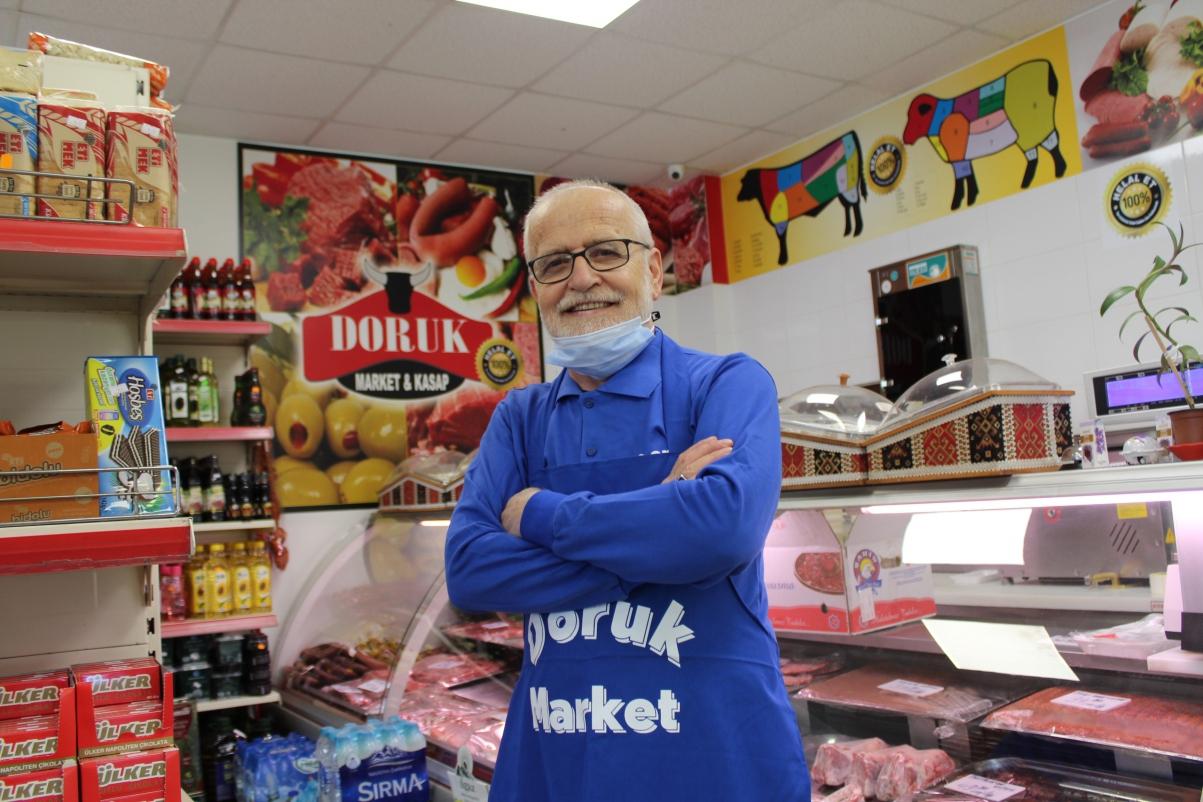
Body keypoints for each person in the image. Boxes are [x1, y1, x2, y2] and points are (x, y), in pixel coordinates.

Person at [444, 179, 808, 801]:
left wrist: (541, 514)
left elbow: (722, 528)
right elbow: (470, 572)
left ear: (654, 272)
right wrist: (663, 533)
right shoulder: (519, 418)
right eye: (554, 264)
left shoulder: (727, 383)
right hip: (560, 762)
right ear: (535, 289)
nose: (582, 279)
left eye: (606, 252)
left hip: (714, 761)